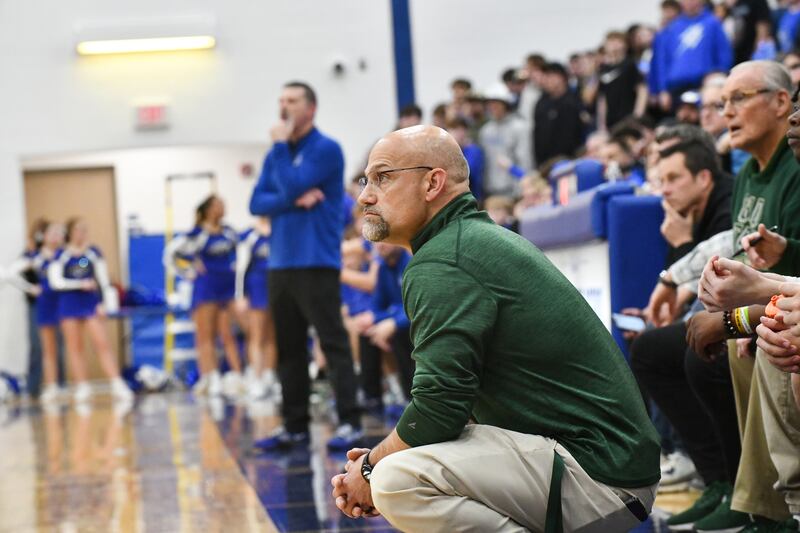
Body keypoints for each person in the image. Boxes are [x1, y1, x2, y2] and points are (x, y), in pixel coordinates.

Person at [330, 125, 660, 532]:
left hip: (598, 474)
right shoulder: (468, 241)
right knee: (395, 466)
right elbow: (451, 408)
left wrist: (370, 468)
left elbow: (438, 409)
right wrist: (383, 456)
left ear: (433, 182)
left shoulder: (444, 259)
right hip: (605, 461)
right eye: (366, 180)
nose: (365, 195)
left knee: (396, 482)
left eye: (382, 177)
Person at [650, 60, 800, 530]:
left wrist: (741, 314)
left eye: (739, 98)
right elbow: (732, 251)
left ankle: (769, 505)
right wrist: (679, 276)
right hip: (781, 302)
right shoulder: (752, 174)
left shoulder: (788, 170)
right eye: (722, 102)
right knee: (669, 347)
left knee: (765, 338)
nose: (727, 112)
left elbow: (773, 275)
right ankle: (741, 490)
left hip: (779, 307)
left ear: (779, 101)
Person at [249, 81, 361, 451]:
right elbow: (256, 203)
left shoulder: (325, 149)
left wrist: (283, 156)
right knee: (289, 348)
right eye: (281, 100)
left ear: (310, 108)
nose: (284, 107)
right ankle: (294, 425)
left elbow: (294, 182)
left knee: (333, 342)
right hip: (281, 263)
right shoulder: (274, 156)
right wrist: (294, 199)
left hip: (317, 260)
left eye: (292, 100)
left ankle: (350, 421)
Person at [165, 195, 243, 397]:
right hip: (206, 287)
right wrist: (188, 272)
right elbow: (170, 254)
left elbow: (242, 253)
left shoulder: (229, 232)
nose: (223, 208)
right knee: (205, 335)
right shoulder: (197, 235)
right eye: (218, 205)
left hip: (227, 288)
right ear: (208, 210)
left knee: (227, 334)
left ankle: (238, 375)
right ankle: (210, 376)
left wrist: (237, 268)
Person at [48, 217, 133, 403]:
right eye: (77, 229)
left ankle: (117, 383)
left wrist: (103, 302)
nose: (81, 233)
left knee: (101, 343)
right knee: (75, 346)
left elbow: (102, 280)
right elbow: (56, 282)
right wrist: (79, 283)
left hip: (89, 303)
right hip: (69, 303)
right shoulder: (61, 254)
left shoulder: (91, 253)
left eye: (84, 229)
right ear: (70, 232)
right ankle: (82, 386)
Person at [4, 221, 65, 402]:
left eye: (58, 233)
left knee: (62, 346)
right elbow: (9, 274)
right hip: (42, 304)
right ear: (42, 236)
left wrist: (80, 271)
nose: (55, 236)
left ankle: (62, 386)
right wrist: (30, 288)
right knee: (43, 347)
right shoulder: (35, 256)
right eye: (50, 233)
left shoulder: (66, 254)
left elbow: (83, 267)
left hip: (66, 304)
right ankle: (40, 387)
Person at [350, 242, 414, 414]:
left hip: (413, 323)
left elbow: (415, 308)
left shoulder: (411, 264)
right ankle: (372, 397)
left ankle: (412, 398)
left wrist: (391, 321)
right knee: (366, 330)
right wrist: (377, 320)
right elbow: (377, 306)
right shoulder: (383, 268)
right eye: (376, 242)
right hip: (397, 318)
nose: (379, 245)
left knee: (400, 331)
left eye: (385, 240)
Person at [650, 0, 733, 112]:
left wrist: (720, 75)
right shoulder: (672, 28)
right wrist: (663, 90)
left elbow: (724, 54)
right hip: (675, 89)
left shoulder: (712, 23)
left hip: (703, 85)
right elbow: (662, 62)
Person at [235, 217, 278, 400]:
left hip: (276, 286)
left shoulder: (279, 229)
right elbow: (241, 266)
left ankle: (270, 375)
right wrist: (241, 295)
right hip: (256, 287)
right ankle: (257, 378)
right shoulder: (250, 235)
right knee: (257, 334)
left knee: (273, 335)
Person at [477, 84, 531, 197]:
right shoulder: (485, 131)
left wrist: (522, 190)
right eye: (490, 104)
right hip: (491, 191)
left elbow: (525, 159)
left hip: (514, 191)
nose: (492, 107)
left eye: (496, 103)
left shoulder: (519, 127)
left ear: (505, 105)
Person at [534, 62, 585, 165]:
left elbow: (573, 135)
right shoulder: (541, 102)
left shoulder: (573, 101)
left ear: (561, 78)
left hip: (569, 160)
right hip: (544, 163)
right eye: (545, 76)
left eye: (549, 76)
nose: (546, 80)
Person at [597, 31, 648, 131]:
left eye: (618, 41)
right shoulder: (603, 70)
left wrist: (638, 115)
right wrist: (601, 125)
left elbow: (642, 90)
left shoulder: (630, 64)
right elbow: (602, 99)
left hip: (628, 118)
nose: (614, 45)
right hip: (611, 121)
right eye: (610, 42)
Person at [446, 117, 484, 201]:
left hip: (472, 197)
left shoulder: (473, 150)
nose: (458, 133)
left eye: (461, 130)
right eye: (454, 129)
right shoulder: (446, 150)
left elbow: (468, 172)